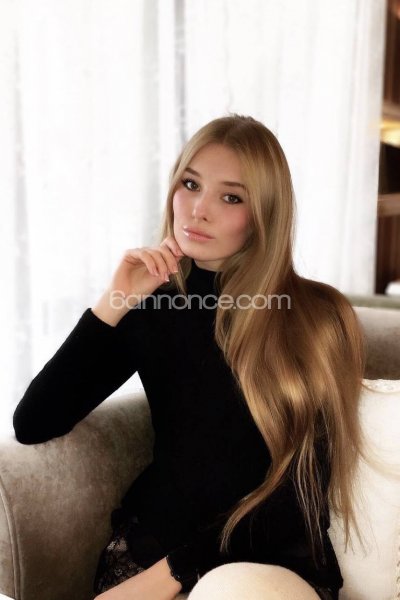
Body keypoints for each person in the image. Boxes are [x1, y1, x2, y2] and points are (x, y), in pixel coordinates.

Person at [13, 114, 371, 600]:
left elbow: (298, 495)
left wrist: (168, 577)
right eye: (190, 184)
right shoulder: (153, 306)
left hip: (265, 568)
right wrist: (115, 301)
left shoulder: (317, 315)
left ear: (264, 212)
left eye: (231, 197)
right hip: (152, 550)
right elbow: (34, 422)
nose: (199, 210)